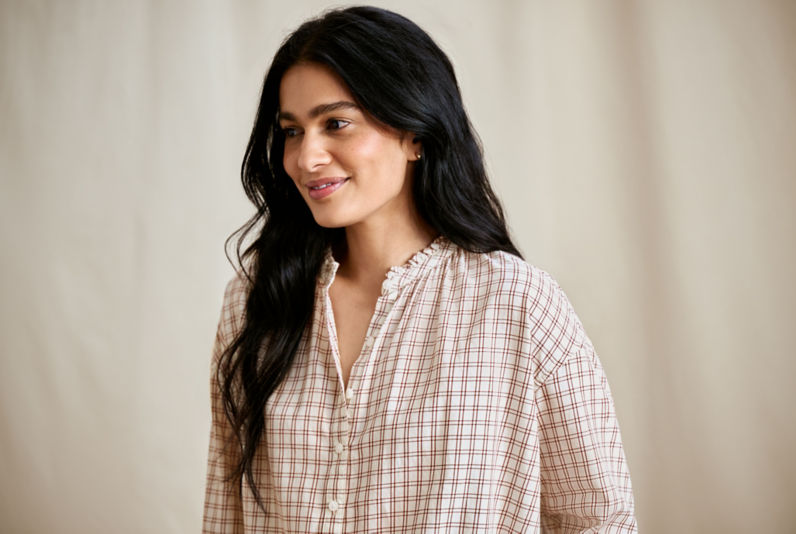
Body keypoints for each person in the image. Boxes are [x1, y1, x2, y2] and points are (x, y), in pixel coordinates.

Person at [203, 6, 636, 533]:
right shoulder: (257, 300)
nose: (306, 157)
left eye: (335, 123)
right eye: (292, 131)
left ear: (415, 134)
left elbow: (599, 519)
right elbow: (226, 513)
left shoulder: (516, 305)